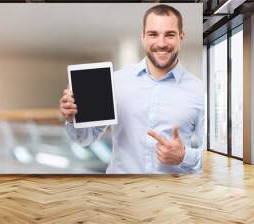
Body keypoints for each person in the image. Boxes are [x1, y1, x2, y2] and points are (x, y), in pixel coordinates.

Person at [59, 4, 205, 174]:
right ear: (143, 37)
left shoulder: (199, 90)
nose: (161, 43)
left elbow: (215, 158)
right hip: (121, 194)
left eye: (170, 35)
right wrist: (72, 118)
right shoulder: (114, 82)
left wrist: (184, 156)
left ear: (181, 36)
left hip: (172, 196)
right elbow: (84, 139)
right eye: (153, 34)